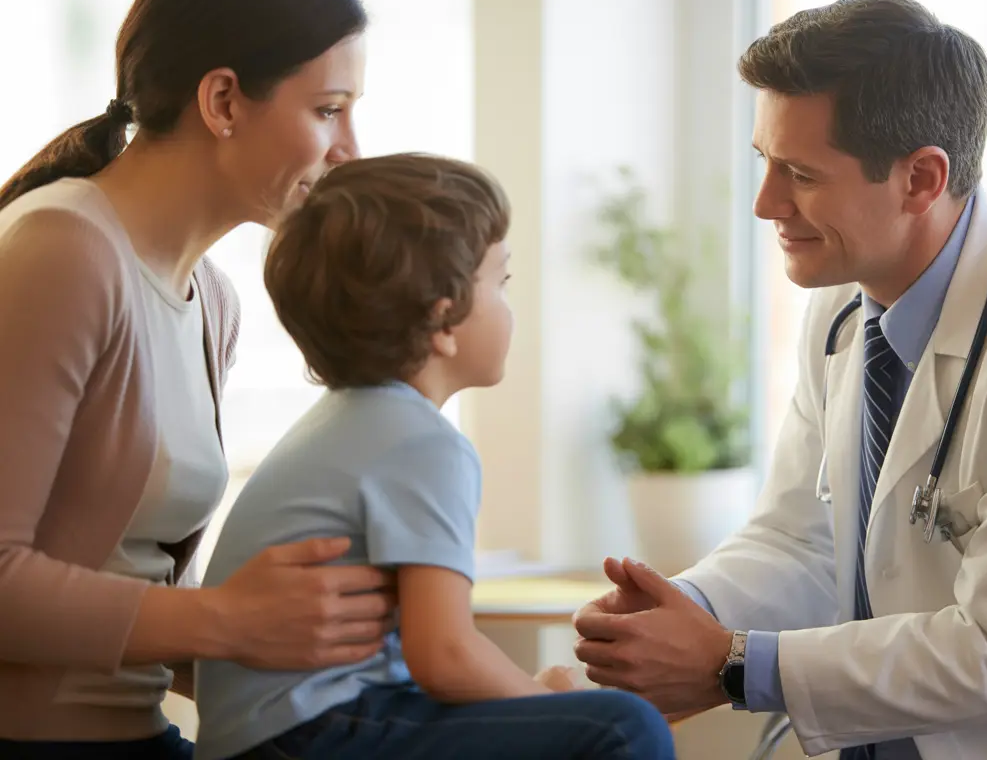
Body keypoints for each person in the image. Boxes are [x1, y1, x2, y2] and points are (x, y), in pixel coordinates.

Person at [571, 0, 987, 759]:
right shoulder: (842, 304)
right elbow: (803, 541)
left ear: (922, 179)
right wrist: (681, 613)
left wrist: (730, 666)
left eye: (800, 173)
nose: (766, 205)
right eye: (765, 163)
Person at [0, 0, 398, 758]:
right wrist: (230, 617)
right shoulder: (60, 249)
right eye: (329, 110)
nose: (350, 148)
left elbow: (139, 595)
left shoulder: (211, 299)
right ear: (222, 101)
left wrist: (339, 650)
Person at [192, 153, 676, 760]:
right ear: (443, 318)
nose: (508, 303)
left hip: (279, 734)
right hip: (308, 735)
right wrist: (535, 696)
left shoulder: (351, 422)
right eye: (500, 281)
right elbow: (442, 655)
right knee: (621, 727)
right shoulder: (421, 441)